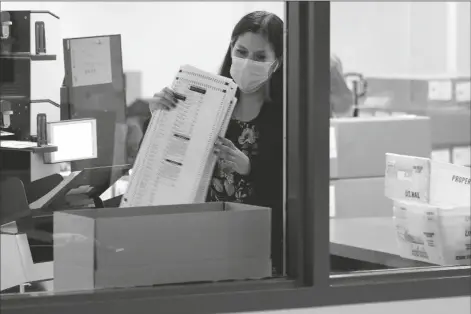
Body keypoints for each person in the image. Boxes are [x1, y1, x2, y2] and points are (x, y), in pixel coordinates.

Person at [127, 11, 285, 275]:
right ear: (231, 48)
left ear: (277, 62)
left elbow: (292, 190)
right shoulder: (210, 100)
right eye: (241, 51)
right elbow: (157, 160)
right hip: (198, 236)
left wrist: (249, 168)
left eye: (260, 57)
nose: (247, 63)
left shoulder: (283, 115)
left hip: (255, 244)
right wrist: (159, 117)